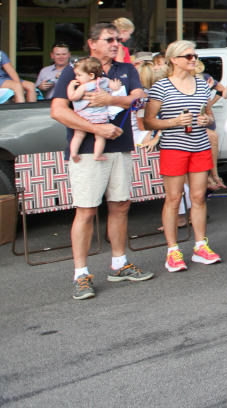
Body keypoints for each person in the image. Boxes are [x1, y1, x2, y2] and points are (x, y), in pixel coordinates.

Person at [50, 23, 152, 300]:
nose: (116, 43)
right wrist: (98, 129)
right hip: (87, 149)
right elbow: (58, 110)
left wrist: (114, 98)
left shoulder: (127, 69)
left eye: (118, 39)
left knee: (120, 205)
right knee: (86, 210)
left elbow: (138, 100)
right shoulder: (75, 69)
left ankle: (119, 264)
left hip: (120, 145)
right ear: (92, 43)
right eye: (109, 39)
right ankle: (81, 274)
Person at [142, 39, 220, 273]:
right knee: (174, 199)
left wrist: (207, 120)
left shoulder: (201, 84)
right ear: (173, 59)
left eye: (194, 55)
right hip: (174, 146)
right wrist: (174, 122)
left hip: (199, 144)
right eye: (188, 56)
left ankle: (200, 245)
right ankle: (172, 250)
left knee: (198, 197)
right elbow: (148, 121)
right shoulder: (161, 87)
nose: (193, 59)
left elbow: (209, 115)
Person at [66, 57, 117, 162]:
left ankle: (74, 153)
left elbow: (72, 97)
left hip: (84, 116)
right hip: (100, 116)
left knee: (78, 135)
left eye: (79, 75)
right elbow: (114, 87)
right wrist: (116, 85)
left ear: (91, 75)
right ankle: (97, 155)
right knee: (100, 137)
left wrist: (70, 87)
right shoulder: (103, 81)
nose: (76, 78)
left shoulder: (84, 86)